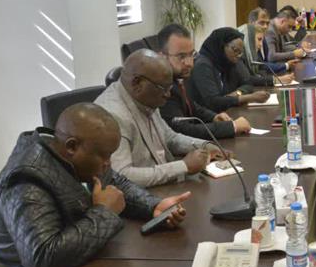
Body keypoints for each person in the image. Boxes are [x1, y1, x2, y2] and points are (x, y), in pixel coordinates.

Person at [0, 103, 190, 267]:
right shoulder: (25, 180)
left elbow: (114, 182)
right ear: (72, 146)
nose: (108, 164)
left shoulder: (73, 156)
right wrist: (104, 212)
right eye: (104, 156)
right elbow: (43, 260)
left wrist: (153, 206)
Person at [96, 49, 225, 187]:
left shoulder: (146, 98)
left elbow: (170, 138)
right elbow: (121, 176)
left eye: (169, 88)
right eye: (163, 88)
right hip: (142, 195)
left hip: (163, 186)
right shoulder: (112, 116)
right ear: (137, 83)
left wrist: (205, 146)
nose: (168, 95)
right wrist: (183, 166)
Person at [158, 23, 252, 140]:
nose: (189, 63)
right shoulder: (161, 88)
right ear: (162, 56)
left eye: (191, 54)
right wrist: (232, 127)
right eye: (181, 56)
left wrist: (214, 117)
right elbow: (183, 130)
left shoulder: (180, 77)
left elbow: (193, 107)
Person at [188, 27, 271, 112]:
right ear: (221, 46)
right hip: (209, 117)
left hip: (227, 112)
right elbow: (213, 102)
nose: (238, 55)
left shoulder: (228, 62)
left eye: (240, 52)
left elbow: (248, 83)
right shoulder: (203, 65)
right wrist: (249, 97)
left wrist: (238, 93)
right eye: (235, 50)